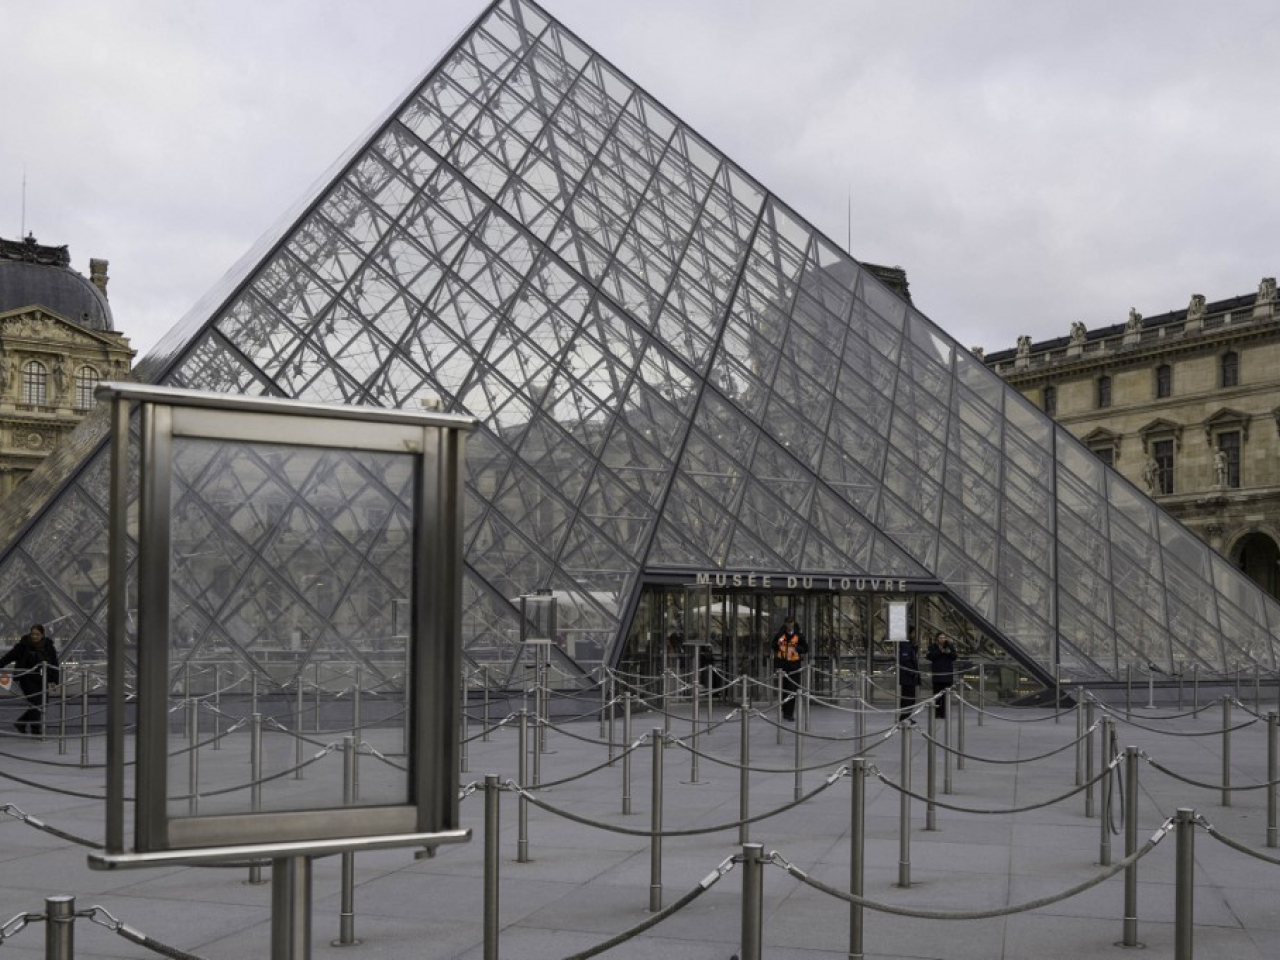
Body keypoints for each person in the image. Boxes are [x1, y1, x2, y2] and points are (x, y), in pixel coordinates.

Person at [0, 624, 60, 735]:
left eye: (37, 634)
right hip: (26, 678)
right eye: (33, 634)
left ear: (42, 635)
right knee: (36, 702)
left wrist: (54, 681)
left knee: (42, 703)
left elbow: (54, 663)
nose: (34, 636)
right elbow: (8, 657)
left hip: (42, 679)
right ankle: (35, 729)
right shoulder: (23, 646)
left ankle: (21, 723)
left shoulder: (48, 646)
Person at [771, 612, 808, 722]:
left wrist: (798, 648)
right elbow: (773, 646)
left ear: (793, 623)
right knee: (783, 690)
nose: (789, 625)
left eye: (791, 623)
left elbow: (806, 648)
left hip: (794, 667)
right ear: (785, 624)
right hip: (783, 666)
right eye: (788, 623)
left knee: (792, 690)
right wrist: (778, 644)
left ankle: (790, 713)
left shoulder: (798, 635)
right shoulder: (780, 635)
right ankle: (784, 710)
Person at [926, 631, 959, 719]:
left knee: (946, 696)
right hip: (937, 674)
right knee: (937, 695)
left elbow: (955, 657)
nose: (943, 640)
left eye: (944, 638)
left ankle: (944, 713)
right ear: (937, 639)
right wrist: (939, 652)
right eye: (941, 638)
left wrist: (949, 653)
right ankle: (937, 712)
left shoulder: (950, 646)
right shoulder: (932, 647)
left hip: (947, 674)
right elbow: (929, 657)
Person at [898, 627, 920, 724]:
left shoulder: (909, 645)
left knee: (910, 698)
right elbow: (905, 659)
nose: (914, 635)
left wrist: (914, 648)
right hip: (908, 676)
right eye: (913, 633)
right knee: (907, 697)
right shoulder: (904, 644)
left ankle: (907, 716)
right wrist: (912, 671)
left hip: (910, 675)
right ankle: (904, 717)